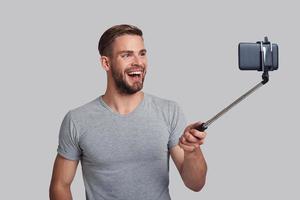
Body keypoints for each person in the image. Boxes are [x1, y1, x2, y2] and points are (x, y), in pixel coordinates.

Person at [49, 24, 207, 200]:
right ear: (106, 63)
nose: (138, 62)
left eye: (142, 53)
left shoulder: (169, 111)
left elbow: (196, 184)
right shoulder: (77, 120)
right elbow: (60, 186)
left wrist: (192, 151)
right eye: (127, 55)